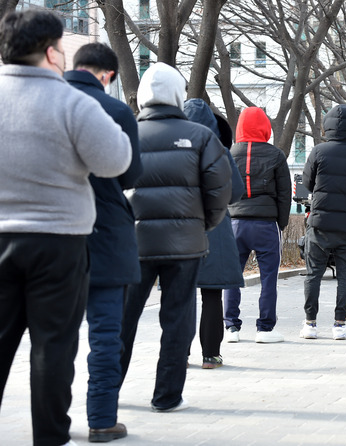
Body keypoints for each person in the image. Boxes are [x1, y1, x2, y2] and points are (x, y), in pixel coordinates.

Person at [0, 11, 132, 446]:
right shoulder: (71, 102)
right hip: (59, 242)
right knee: (53, 347)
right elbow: (116, 161)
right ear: (52, 52)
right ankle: (50, 437)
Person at [119, 62, 232, 412]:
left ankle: (108, 388)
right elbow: (221, 191)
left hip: (133, 243)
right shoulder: (201, 137)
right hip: (185, 243)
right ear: (177, 94)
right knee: (177, 317)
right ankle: (167, 395)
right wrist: (203, 225)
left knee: (123, 318)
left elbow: (108, 188)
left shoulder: (124, 134)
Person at [64, 43, 143, 443]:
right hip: (107, 232)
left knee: (54, 335)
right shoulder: (116, 111)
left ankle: (52, 421)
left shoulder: (49, 103)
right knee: (105, 334)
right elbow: (131, 177)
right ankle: (101, 419)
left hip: (56, 234)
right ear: (109, 75)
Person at [301, 104, 346, 339]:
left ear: (328, 125)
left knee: (313, 273)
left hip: (320, 222)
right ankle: (339, 325)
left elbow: (308, 183)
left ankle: (310, 324)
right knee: (345, 275)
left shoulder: (319, 151)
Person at [183, 98, 245, 368]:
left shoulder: (174, 147)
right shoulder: (219, 150)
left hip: (181, 226)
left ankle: (179, 353)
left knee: (180, 293)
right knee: (211, 293)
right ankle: (210, 355)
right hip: (215, 225)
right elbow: (236, 192)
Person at [224, 107, 292, 343]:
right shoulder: (276, 155)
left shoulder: (229, 153)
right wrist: (281, 224)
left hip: (235, 222)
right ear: (265, 127)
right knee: (269, 278)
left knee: (231, 276)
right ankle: (265, 329)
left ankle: (231, 327)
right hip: (266, 223)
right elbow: (285, 195)